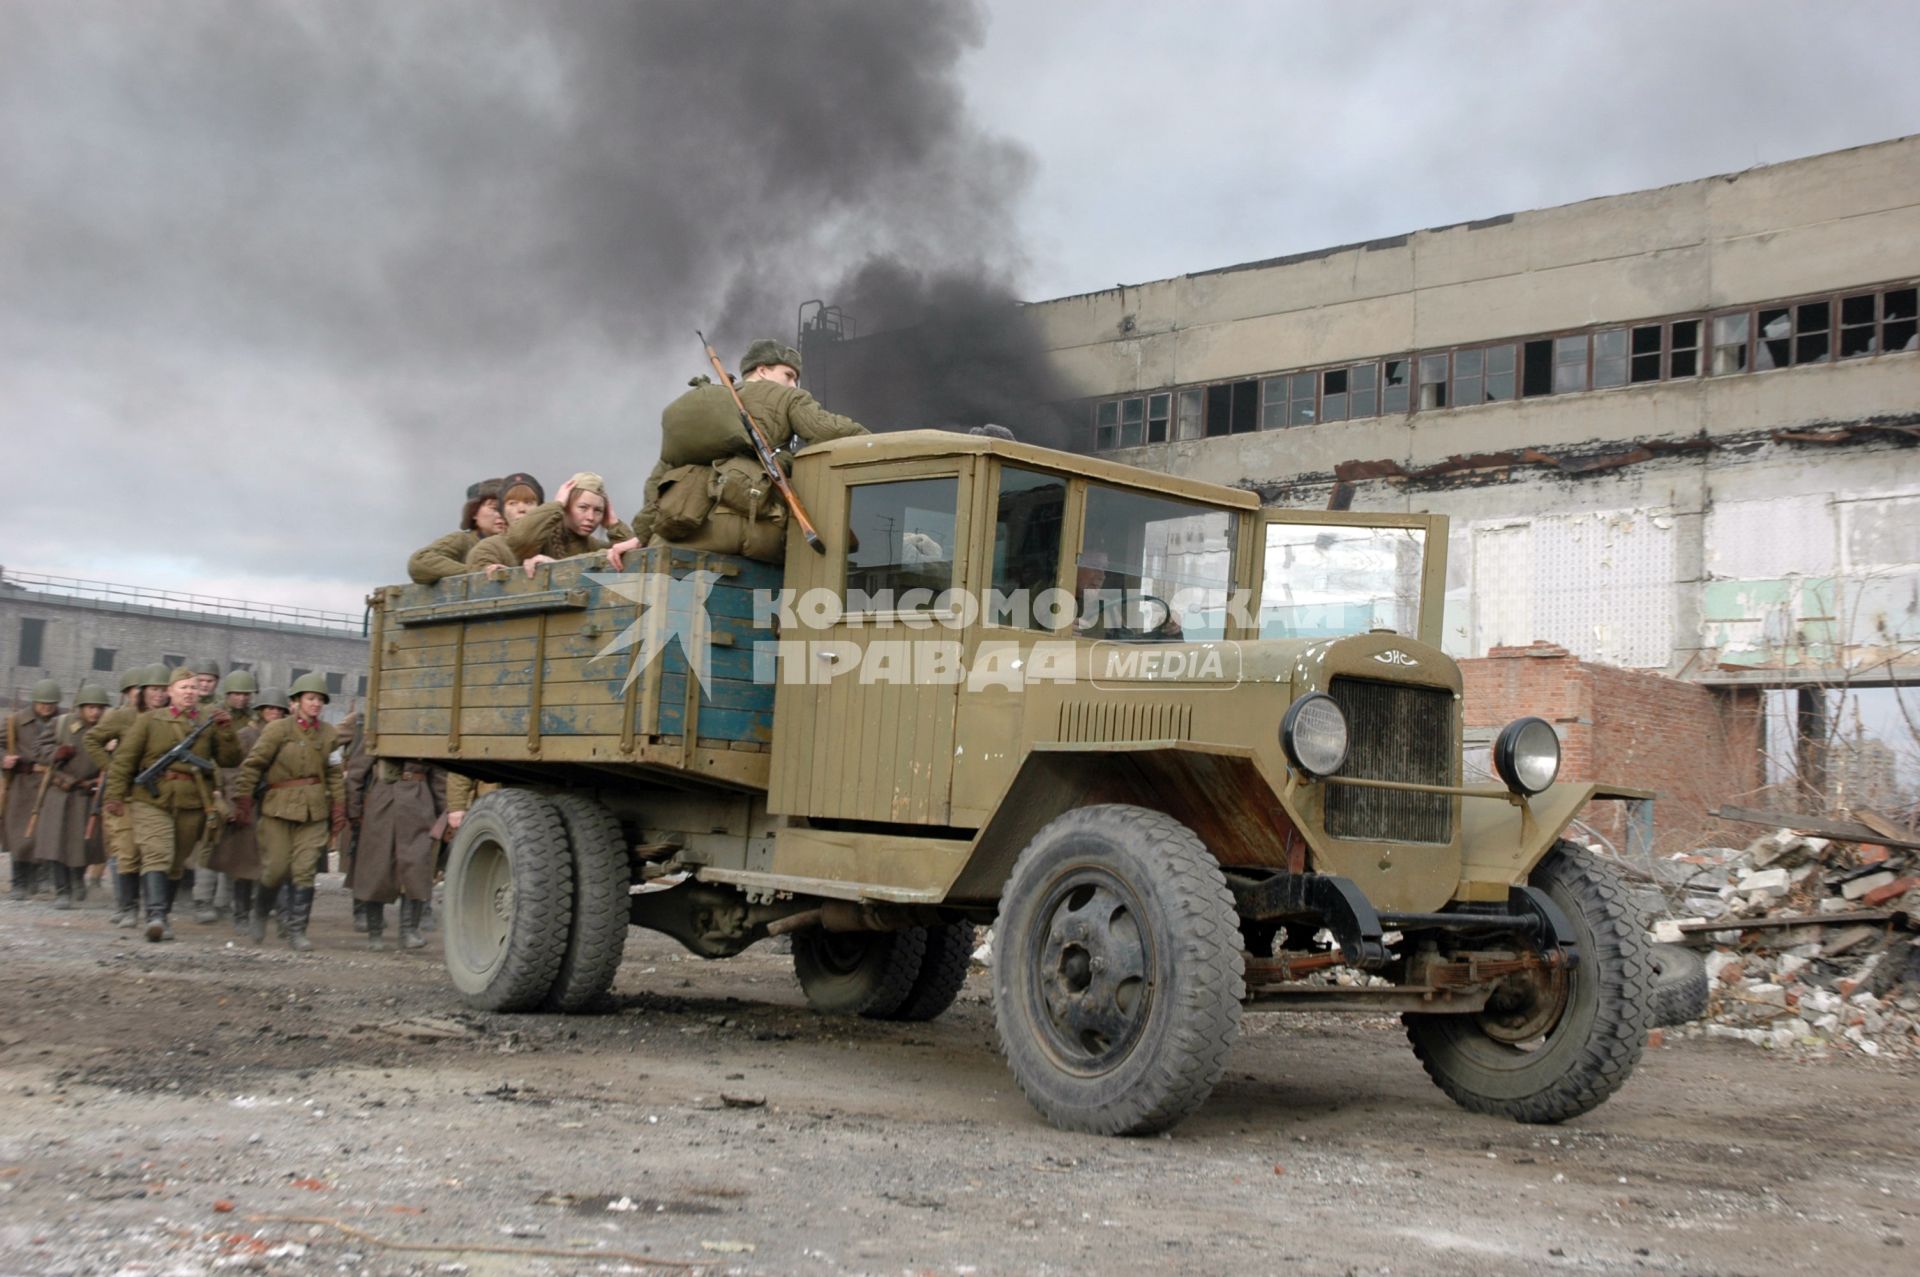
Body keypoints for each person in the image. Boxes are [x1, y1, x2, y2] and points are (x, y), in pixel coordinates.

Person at [637, 340, 868, 562]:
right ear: (763, 370)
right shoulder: (787, 397)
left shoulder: (710, 403)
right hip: (753, 536)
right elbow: (829, 430)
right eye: (788, 375)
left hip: (683, 533)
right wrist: (877, 442)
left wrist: (639, 536)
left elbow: (660, 476)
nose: (793, 385)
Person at [102, 667, 240, 942]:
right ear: (169, 692)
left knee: (176, 861)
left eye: (193, 687)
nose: (189, 692)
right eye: (183, 687)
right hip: (152, 799)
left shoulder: (208, 721)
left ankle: (163, 915)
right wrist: (114, 796)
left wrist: (226, 731)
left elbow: (230, 759)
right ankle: (155, 916)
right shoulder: (151, 721)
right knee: (157, 853)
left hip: (191, 801)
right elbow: (125, 760)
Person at [231, 673, 344, 953]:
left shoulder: (329, 735)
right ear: (296, 701)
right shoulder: (278, 730)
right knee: (276, 869)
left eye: (320, 700)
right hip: (278, 808)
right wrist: (244, 798)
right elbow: (254, 764)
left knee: (305, 871)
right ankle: (260, 911)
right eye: (310, 698)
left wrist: (339, 807)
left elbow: (334, 775)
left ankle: (297, 931)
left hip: (314, 812)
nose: (316, 704)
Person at [345, 750, 445, 951]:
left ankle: (408, 932)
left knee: (417, 866)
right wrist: (354, 810)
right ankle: (375, 933)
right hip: (384, 800)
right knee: (377, 866)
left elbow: (439, 776)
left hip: (420, 803)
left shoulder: (429, 730)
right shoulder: (380, 726)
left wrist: (445, 814)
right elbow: (356, 772)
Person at [85, 666, 153, 925]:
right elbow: (93, 740)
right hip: (121, 790)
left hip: (150, 792)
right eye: (137, 689)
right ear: (128, 693)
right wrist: (111, 766)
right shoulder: (120, 717)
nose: (143, 694)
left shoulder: (163, 717)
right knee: (122, 849)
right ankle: (126, 906)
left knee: (148, 850)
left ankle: (149, 907)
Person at [41, 684, 111, 908]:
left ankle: (78, 880)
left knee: (83, 843)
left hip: (87, 793)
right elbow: (40, 749)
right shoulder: (61, 724)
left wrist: (112, 748)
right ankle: (62, 890)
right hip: (61, 791)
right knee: (57, 844)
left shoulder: (107, 729)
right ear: (81, 707)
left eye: (99, 708)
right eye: (91, 707)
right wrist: (56, 753)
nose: (95, 713)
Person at [504, 472, 637, 573]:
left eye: (598, 511)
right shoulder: (543, 536)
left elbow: (636, 559)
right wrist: (558, 504)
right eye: (583, 508)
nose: (590, 517)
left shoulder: (593, 545)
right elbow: (518, 539)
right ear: (567, 506)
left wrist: (613, 523)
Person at [3, 679, 63, 900]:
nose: (47, 707)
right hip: (23, 783)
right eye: (42, 703)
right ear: (34, 702)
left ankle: (40, 879)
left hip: (51, 783)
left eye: (51, 703)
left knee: (45, 833)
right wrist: (4, 759)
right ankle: (19, 881)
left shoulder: (62, 722)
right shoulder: (16, 721)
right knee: (20, 835)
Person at [407, 478, 506, 583]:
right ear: (474, 513)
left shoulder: (516, 543)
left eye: (505, 509)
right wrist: (477, 572)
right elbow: (420, 561)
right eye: (494, 508)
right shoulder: (463, 540)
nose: (500, 515)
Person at [465, 472, 544, 574]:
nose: (521, 509)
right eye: (512, 503)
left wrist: (553, 565)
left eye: (529, 502)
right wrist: (493, 572)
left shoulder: (556, 539)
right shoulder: (488, 547)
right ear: (503, 511)